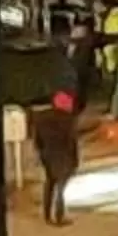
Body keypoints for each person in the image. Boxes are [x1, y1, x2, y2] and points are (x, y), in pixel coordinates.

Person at [30, 92, 81, 228]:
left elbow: (37, 141)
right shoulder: (68, 119)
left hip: (47, 155)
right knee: (61, 187)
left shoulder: (41, 118)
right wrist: (75, 160)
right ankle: (59, 216)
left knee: (50, 183)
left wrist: (41, 153)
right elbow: (71, 141)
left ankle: (47, 215)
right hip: (63, 155)